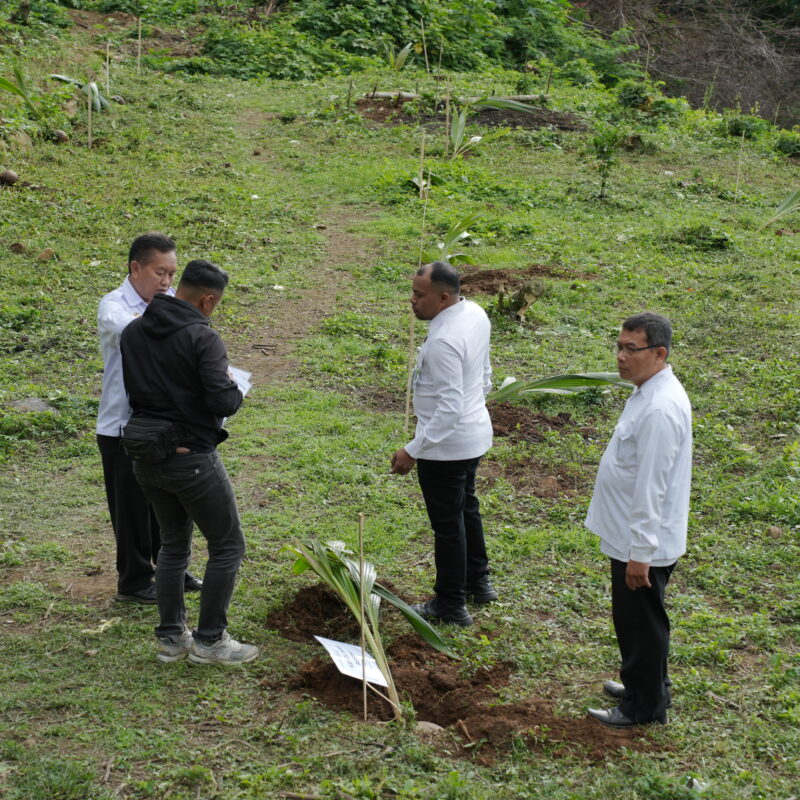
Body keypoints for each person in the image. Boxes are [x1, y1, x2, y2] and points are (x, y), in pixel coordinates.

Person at [120, 259, 257, 665]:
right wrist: (234, 387)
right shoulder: (202, 338)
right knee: (228, 545)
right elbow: (222, 400)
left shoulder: (133, 332)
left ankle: (171, 639)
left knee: (174, 544)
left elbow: (139, 392)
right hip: (191, 458)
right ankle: (210, 641)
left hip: (147, 455)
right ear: (208, 299)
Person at [585, 311, 692, 727]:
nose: (621, 357)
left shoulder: (660, 409)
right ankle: (645, 684)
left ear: (659, 353)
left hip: (642, 543)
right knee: (637, 621)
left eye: (632, 349)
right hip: (630, 535)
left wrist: (640, 554)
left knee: (641, 624)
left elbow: (653, 487)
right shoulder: (648, 391)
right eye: (619, 347)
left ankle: (644, 709)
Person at [96, 232, 202, 604]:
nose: (167, 283)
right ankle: (134, 579)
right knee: (131, 509)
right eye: (160, 273)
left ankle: (172, 566)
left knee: (169, 499)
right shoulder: (114, 308)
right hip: (122, 426)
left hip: (163, 424)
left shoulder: (169, 302)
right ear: (135, 268)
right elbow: (138, 333)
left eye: (173, 275)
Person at [390, 261, 496, 627]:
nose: (412, 301)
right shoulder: (475, 314)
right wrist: (473, 408)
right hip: (475, 433)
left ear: (444, 297)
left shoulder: (443, 342)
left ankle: (451, 602)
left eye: (420, 295)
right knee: (467, 508)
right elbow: (484, 374)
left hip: (447, 446)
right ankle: (478, 581)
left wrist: (413, 450)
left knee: (448, 525)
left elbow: (449, 409)